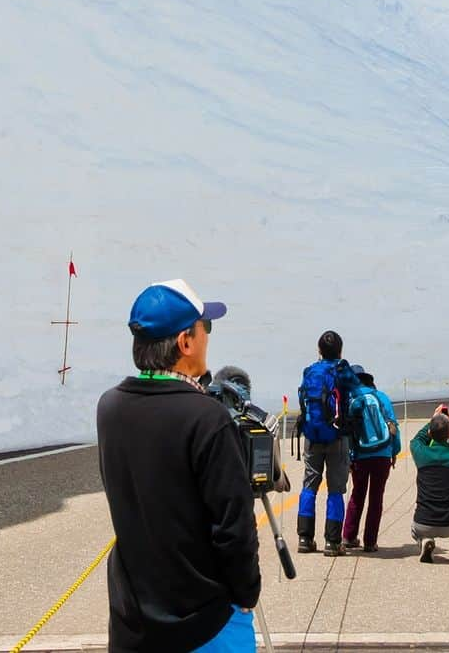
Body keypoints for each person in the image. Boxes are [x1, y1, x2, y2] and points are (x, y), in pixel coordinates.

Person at [96, 279, 261, 653]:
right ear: (185, 342)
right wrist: (247, 593)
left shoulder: (109, 407)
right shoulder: (207, 418)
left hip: (133, 620)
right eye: (205, 328)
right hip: (205, 624)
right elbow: (233, 527)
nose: (207, 337)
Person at [296, 329, 362, 556]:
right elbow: (356, 388)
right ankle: (332, 542)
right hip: (337, 436)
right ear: (340, 350)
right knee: (335, 489)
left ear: (319, 351)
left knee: (309, 486)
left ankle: (305, 538)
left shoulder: (309, 371)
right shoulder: (342, 370)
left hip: (312, 434)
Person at [342, 366, 401, 552]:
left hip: (360, 456)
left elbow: (347, 433)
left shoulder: (349, 399)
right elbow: (393, 427)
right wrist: (394, 452)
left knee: (357, 496)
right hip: (382, 454)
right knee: (376, 498)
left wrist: (349, 457)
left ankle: (349, 537)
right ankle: (370, 542)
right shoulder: (381, 397)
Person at [410, 403, 449, 563]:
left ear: (430, 433)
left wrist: (433, 420)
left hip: (423, 523)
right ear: (448, 434)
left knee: (415, 522)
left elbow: (417, 439)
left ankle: (424, 541)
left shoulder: (421, 454)